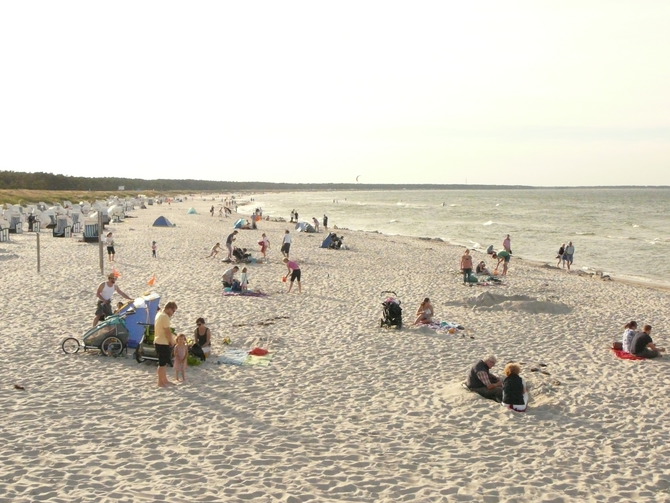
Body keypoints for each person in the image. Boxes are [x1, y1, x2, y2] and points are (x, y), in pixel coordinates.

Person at [154, 301, 177, 387]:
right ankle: (160, 382)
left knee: (164, 363)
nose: (173, 313)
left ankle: (164, 380)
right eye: (173, 311)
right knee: (162, 364)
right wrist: (171, 341)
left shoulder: (159, 314)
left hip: (158, 341)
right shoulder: (165, 317)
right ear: (169, 309)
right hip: (162, 342)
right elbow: (167, 332)